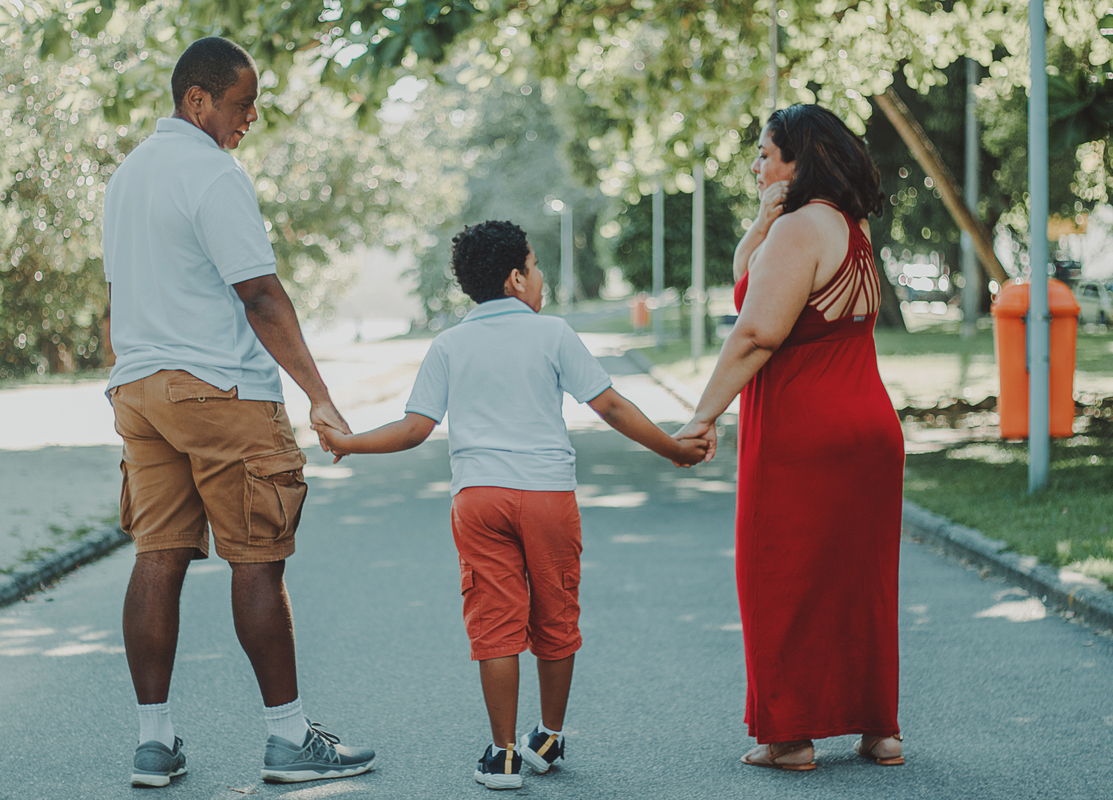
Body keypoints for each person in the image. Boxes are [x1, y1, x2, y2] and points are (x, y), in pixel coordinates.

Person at [317, 220, 708, 789]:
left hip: (478, 499)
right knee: (556, 613)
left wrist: (348, 443)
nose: (541, 277)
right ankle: (547, 737)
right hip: (548, 496)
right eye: (536, 265)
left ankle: (501, 755)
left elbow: (413, 429)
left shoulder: (449, 344)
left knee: (495, 624)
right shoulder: (552, 334)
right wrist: (673, 449)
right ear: (516, 278)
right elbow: (612, 408)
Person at [102, 36, 375, 787]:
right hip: (219, 388)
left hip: (140, 390)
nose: (251, 117)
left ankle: (153, 743)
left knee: (157, 554)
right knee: (258, 557)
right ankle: (288, 741)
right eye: (241, 102)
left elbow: (118, 298)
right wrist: (320, 394)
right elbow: (258, 293)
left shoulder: (127, 176)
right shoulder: (212, 172)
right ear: (198, 100)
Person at [673, 104, 905, 771]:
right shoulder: (848, 226)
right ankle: (880, 731)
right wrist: (762, 217)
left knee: (779, 577)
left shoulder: (801, 229)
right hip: (868, 424)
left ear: (800, 160)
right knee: (862, 582)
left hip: (804, 429)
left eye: (767, 153)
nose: (757, 164)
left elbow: (755, 332)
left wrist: (702, 414)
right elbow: (752, 283)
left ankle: (790, 738)